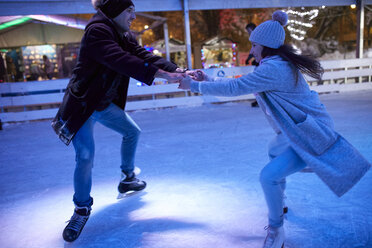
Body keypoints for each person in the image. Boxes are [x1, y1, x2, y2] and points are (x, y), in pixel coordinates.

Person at [180, 10, 371, 248]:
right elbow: (242, 84)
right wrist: (207, 80)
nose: (251, 52)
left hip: (310, 133)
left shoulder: (273, 69)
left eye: (254, 46)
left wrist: (195, 86)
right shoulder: (275, 64)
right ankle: (279, 201)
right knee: (273, 149)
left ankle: (276, 229)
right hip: (298, 129)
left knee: (268, 176)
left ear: (266, 46)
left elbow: (237, 88)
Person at [52, 0, 184, 242]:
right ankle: (81, 209)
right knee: (85, 156)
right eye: (129, 11)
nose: (133, 16)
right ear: (115, 10)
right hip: (82, 106)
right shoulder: (97, 31)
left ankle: (127, 178)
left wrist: (178, 70)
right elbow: (121, 60)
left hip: (101, 103)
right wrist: (162, 75)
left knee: (132, 132)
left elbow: (142, 55)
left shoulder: (123, 34)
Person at [244, 23, 259, 107]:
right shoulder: (254, 37)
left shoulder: (258, 37)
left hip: (262, 62)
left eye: (249, 30)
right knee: (256, 81)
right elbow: (253, 49)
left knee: (257, 80)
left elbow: (258, 49)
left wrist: (252, 59)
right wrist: (249, 59)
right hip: (260, 62)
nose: (248, 32)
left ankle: (260, 99)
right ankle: (259, 99)